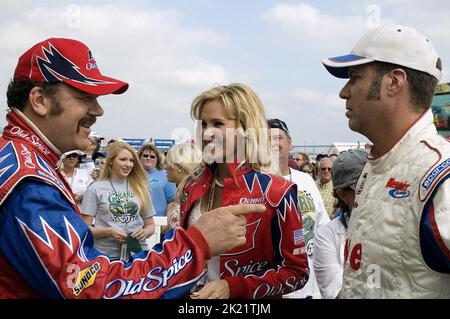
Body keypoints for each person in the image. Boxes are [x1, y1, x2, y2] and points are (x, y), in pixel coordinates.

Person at [0, 37, 265, 298]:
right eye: (85, 97)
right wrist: (195, 245)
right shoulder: (29, 183)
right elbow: (92, 289)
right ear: (40, 100)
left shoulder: (23, 160)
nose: (98, 110)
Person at [322, 24, 450, 298]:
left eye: (354, 78)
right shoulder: (376, 164)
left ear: (394, 81)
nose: (344, 92)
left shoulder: (440, 175)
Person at [179, 83, 309, 299]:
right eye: (203, 124)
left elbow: (297, 273)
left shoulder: (277, 191)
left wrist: (234, 287)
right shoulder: (191, 185)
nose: (207, 133)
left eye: (218, 123)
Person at [267, 118, 329, 299]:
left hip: (305, 288)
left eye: (278, 137)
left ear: (290, 143)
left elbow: (322, 228)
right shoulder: (255, 182)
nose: (272, 143)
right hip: (270, 288)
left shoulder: (306, 180)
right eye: (266, 139)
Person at [80, 141, 155, 262]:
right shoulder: (95, 188)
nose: (128, 164)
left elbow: (150, 225)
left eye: (131, 160)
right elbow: (84, 228)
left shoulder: (141, 188)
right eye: (123, 159)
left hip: (137, 255)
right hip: (106, 257)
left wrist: (145, 232)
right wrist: (108, 232)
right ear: (111, 161)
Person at [313, 149, 367, 299]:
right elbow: (335, 293)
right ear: (342, 194)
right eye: (363, 188)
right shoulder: (327, 235)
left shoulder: (393, 223)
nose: (373, 192)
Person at [164, 142, 202, 229]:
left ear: (180, 167)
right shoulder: (187, 192)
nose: (165, 167)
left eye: (167, 163)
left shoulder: (193, 195)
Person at [138, 143, 177, 217]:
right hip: (136, 221)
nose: (148, 158)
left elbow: (172, 201)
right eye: (145, 155)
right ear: (139, 157)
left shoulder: (166, 175)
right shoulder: (132, 174)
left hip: (159, 220)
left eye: (152, 157)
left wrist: (168, 219)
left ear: (157, 160)